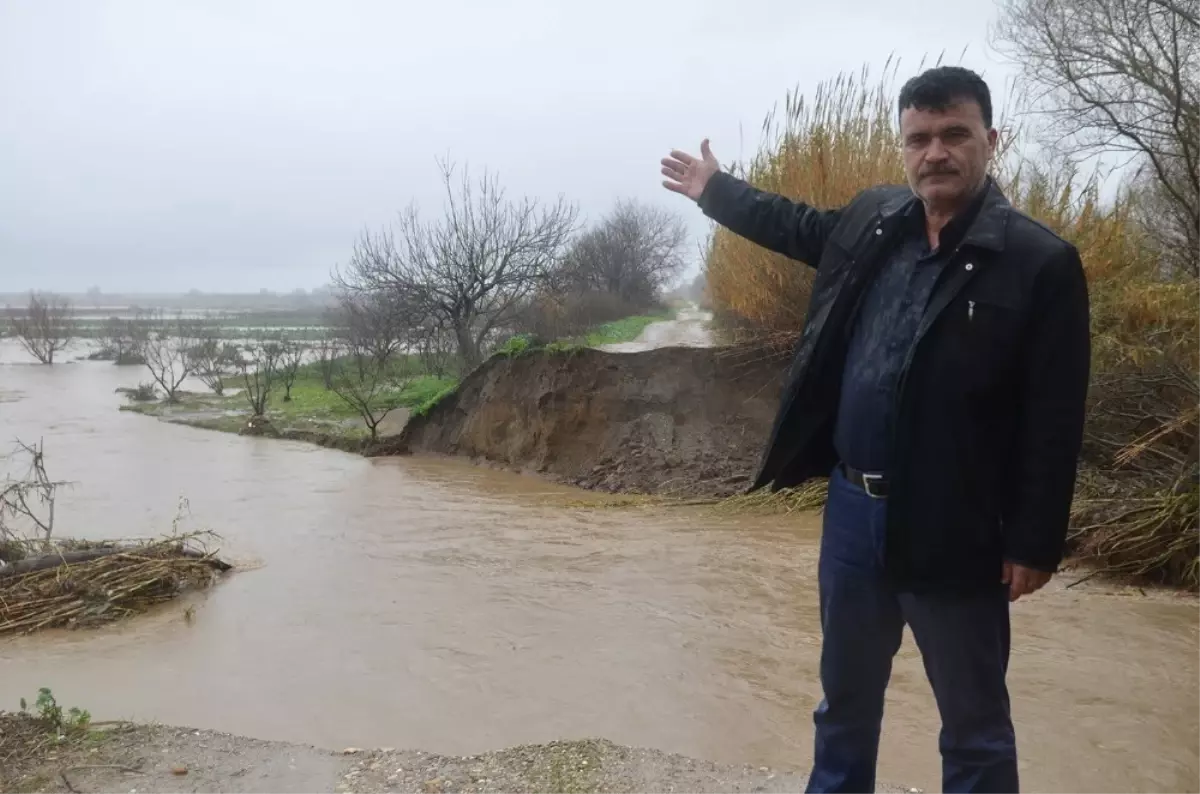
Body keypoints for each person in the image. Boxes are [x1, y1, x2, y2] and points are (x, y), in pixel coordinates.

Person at [660, 66, 1091, 794]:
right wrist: (717, 190)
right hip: (854, 515)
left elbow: (1055, 417)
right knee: (845, 704)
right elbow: (797, 225)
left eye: (954, 134)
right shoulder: (875, 222)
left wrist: (1033, 541)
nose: (936, 153)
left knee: (975, 726)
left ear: (992, 139)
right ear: (903, 148)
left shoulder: (1039, 263)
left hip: (959, 524)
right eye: (919, 138)